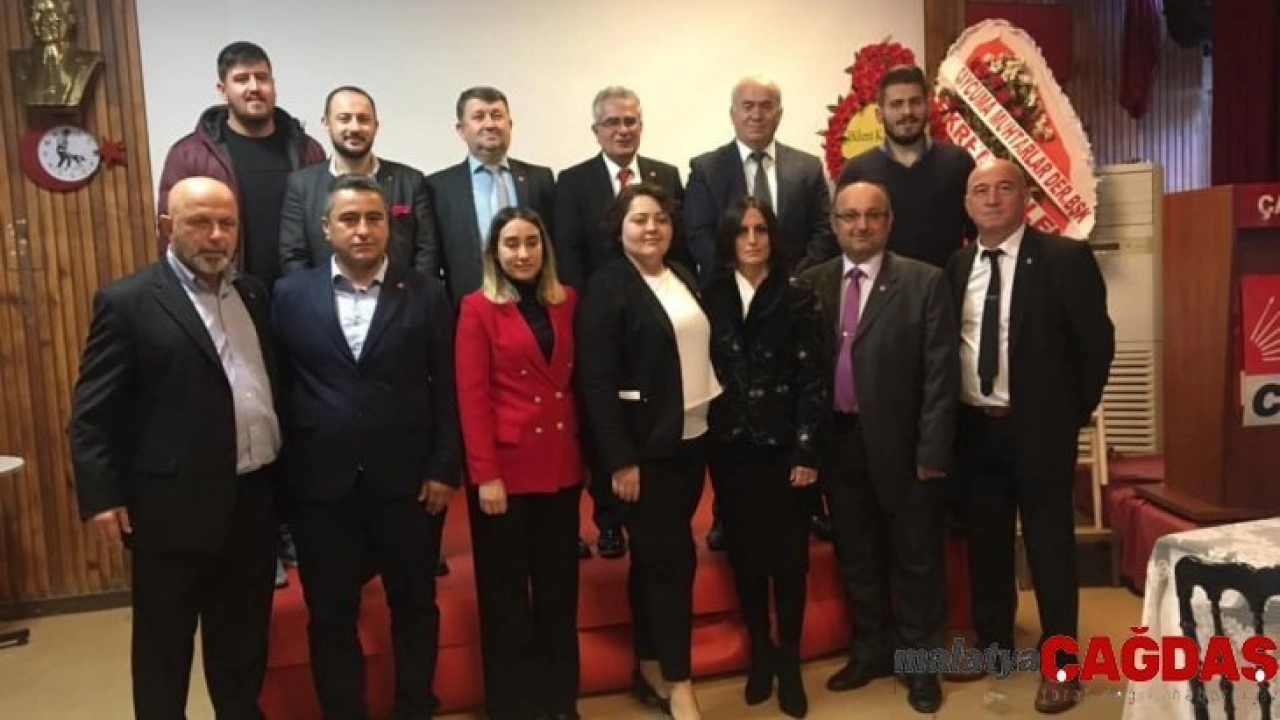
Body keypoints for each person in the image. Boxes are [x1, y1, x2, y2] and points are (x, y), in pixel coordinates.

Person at [69, 177, 281, 720]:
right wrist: (101, 497)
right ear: (167, 226)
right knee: (164, 652)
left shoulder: (253, 294)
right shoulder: (129, 301)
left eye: (227, 223)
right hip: (170, 511)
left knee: (242, 648)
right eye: (199, 222)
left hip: (252, 503)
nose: (216, 235)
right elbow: (92, 413)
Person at [271, 174, 462, 720]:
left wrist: (445, 467)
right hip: (321, 487)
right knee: (331, 615)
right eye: (349, 219)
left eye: (374, 218)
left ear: (389, 227)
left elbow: (448, 388)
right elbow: (279, 388)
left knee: (415, 605)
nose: (362, 230)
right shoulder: (288, 295)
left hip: (408, 483)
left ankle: (415, 707)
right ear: (325, 227)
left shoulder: (426, 293)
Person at [945, 159, 1113, 714]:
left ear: (1025, 198)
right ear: (967, 204)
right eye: (980, 191)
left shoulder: (1064, 258)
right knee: (987, 545)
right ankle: (995, 646)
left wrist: (1069, 415)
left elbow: (1096, 345)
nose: (992, 199)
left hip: (1040, 430)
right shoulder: (957, 265)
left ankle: (1062, 665)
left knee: (1050, 548)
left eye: (1004, 188)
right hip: (975, 429)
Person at [798, 180, 958, 714]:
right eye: (849, 216)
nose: (861, 225)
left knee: (916, 561)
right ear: (834, 223)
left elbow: (941, 376)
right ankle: (871, 652)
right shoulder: (812, 284)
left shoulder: (924, 281)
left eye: (872, 215)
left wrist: (932, 453)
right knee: (858, 556)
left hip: (906, 448)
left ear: (889, 221)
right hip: (839, 445)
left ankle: (920, 666)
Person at [577, 183, 721, 720]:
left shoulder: (681, 273)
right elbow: (596, 384)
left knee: (653, 562)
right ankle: (680, 683)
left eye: (660, 218)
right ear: (619, 227)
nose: (651, 228)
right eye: (639, 219)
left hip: (692, 438)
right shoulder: (606, 287)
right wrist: (620, 460)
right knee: (672, 564)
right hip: (644, 453)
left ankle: (650, 664)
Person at [685, 74, 838, 549]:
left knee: (798, 391)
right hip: (731, 305)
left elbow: (823, 231)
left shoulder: (806, 168)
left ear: (779, 113)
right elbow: (699, 233)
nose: (757, 114)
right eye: (747, 106)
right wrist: (735, 281)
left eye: (766, 105)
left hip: (791, 301)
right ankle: (726, 513)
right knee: (734, 410)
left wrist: (786, 283)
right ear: (733, 113)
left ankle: (805, 505)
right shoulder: (706, 167)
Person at [455, 207, 583, 720]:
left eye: (532, 242)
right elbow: (471, 397)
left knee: (559, 593)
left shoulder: (566, 299)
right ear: (494, 252)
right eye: (511, 244)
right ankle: (512, 706)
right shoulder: (477, 308)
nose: (523, 253)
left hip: (560, 466)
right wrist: (485, 474)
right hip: (504, 473)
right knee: (505, 598)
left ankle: (560, 700)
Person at [553, 85, 690, 560]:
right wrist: (594, 311)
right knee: (604, 416)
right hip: (602, 319)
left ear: (641, 125)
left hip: (656, 319)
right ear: (596, 130)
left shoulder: (666, 175)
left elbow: (679, 246)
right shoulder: (573, 181)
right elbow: (569, 254)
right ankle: (609, 518)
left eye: (630, 120)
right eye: (612, 122)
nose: (622, 129)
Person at [702, 196, 827, 718]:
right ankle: (761, 654)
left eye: (760, 230)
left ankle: (790, 663)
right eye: (742, 231)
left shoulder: (798, 295)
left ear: (773, 237)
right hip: (730, 449)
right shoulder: (709, 294)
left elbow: (813, 379)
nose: (752, 240)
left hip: (785, 450)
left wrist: (807, 450)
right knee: (747, 559)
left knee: (790, 564)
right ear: (729, 240)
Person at [156, 41, 325, 288]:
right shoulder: (189, 155)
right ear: (223, 89)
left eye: (262, 78)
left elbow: (326, 226)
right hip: (225, 292)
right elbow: (172, 237)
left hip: (299, 293)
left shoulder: (308, 150)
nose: (254, 87)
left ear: (273, 85)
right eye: (241, 79)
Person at [279, 85, 439, 276]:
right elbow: (293, 256)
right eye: (344, 119)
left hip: (400, 293)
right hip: (322, 294)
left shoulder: (410, 182)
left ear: (376, 126)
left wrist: (413, 293)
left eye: (363, 119)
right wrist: (319, 294)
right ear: (326, 123)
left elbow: (426, 252)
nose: (355, 128)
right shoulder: (301, 185)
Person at [838, 65, 975, 269]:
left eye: (915, 102)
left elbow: (977, 233)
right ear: (879, 114)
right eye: (896, 104)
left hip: (947, 284)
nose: (907, 112)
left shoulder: (958, 162)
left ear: (928, 106)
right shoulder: (857, 171)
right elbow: (843, 241)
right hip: (880, 287)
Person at [427, 86, 555, 304]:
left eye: (497, 116)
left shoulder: (540, 178)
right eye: (478, 117)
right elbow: (432, 256)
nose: (490, 124)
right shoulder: (438, 187)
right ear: (461, 130)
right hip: (467, 304)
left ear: (510, 124)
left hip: (533, 303)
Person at [10, 0, 103, 108]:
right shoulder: (18, 63)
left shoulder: (89, 62)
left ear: (70, 17)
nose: (44, 20)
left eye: (51, 12)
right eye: (37, 12)